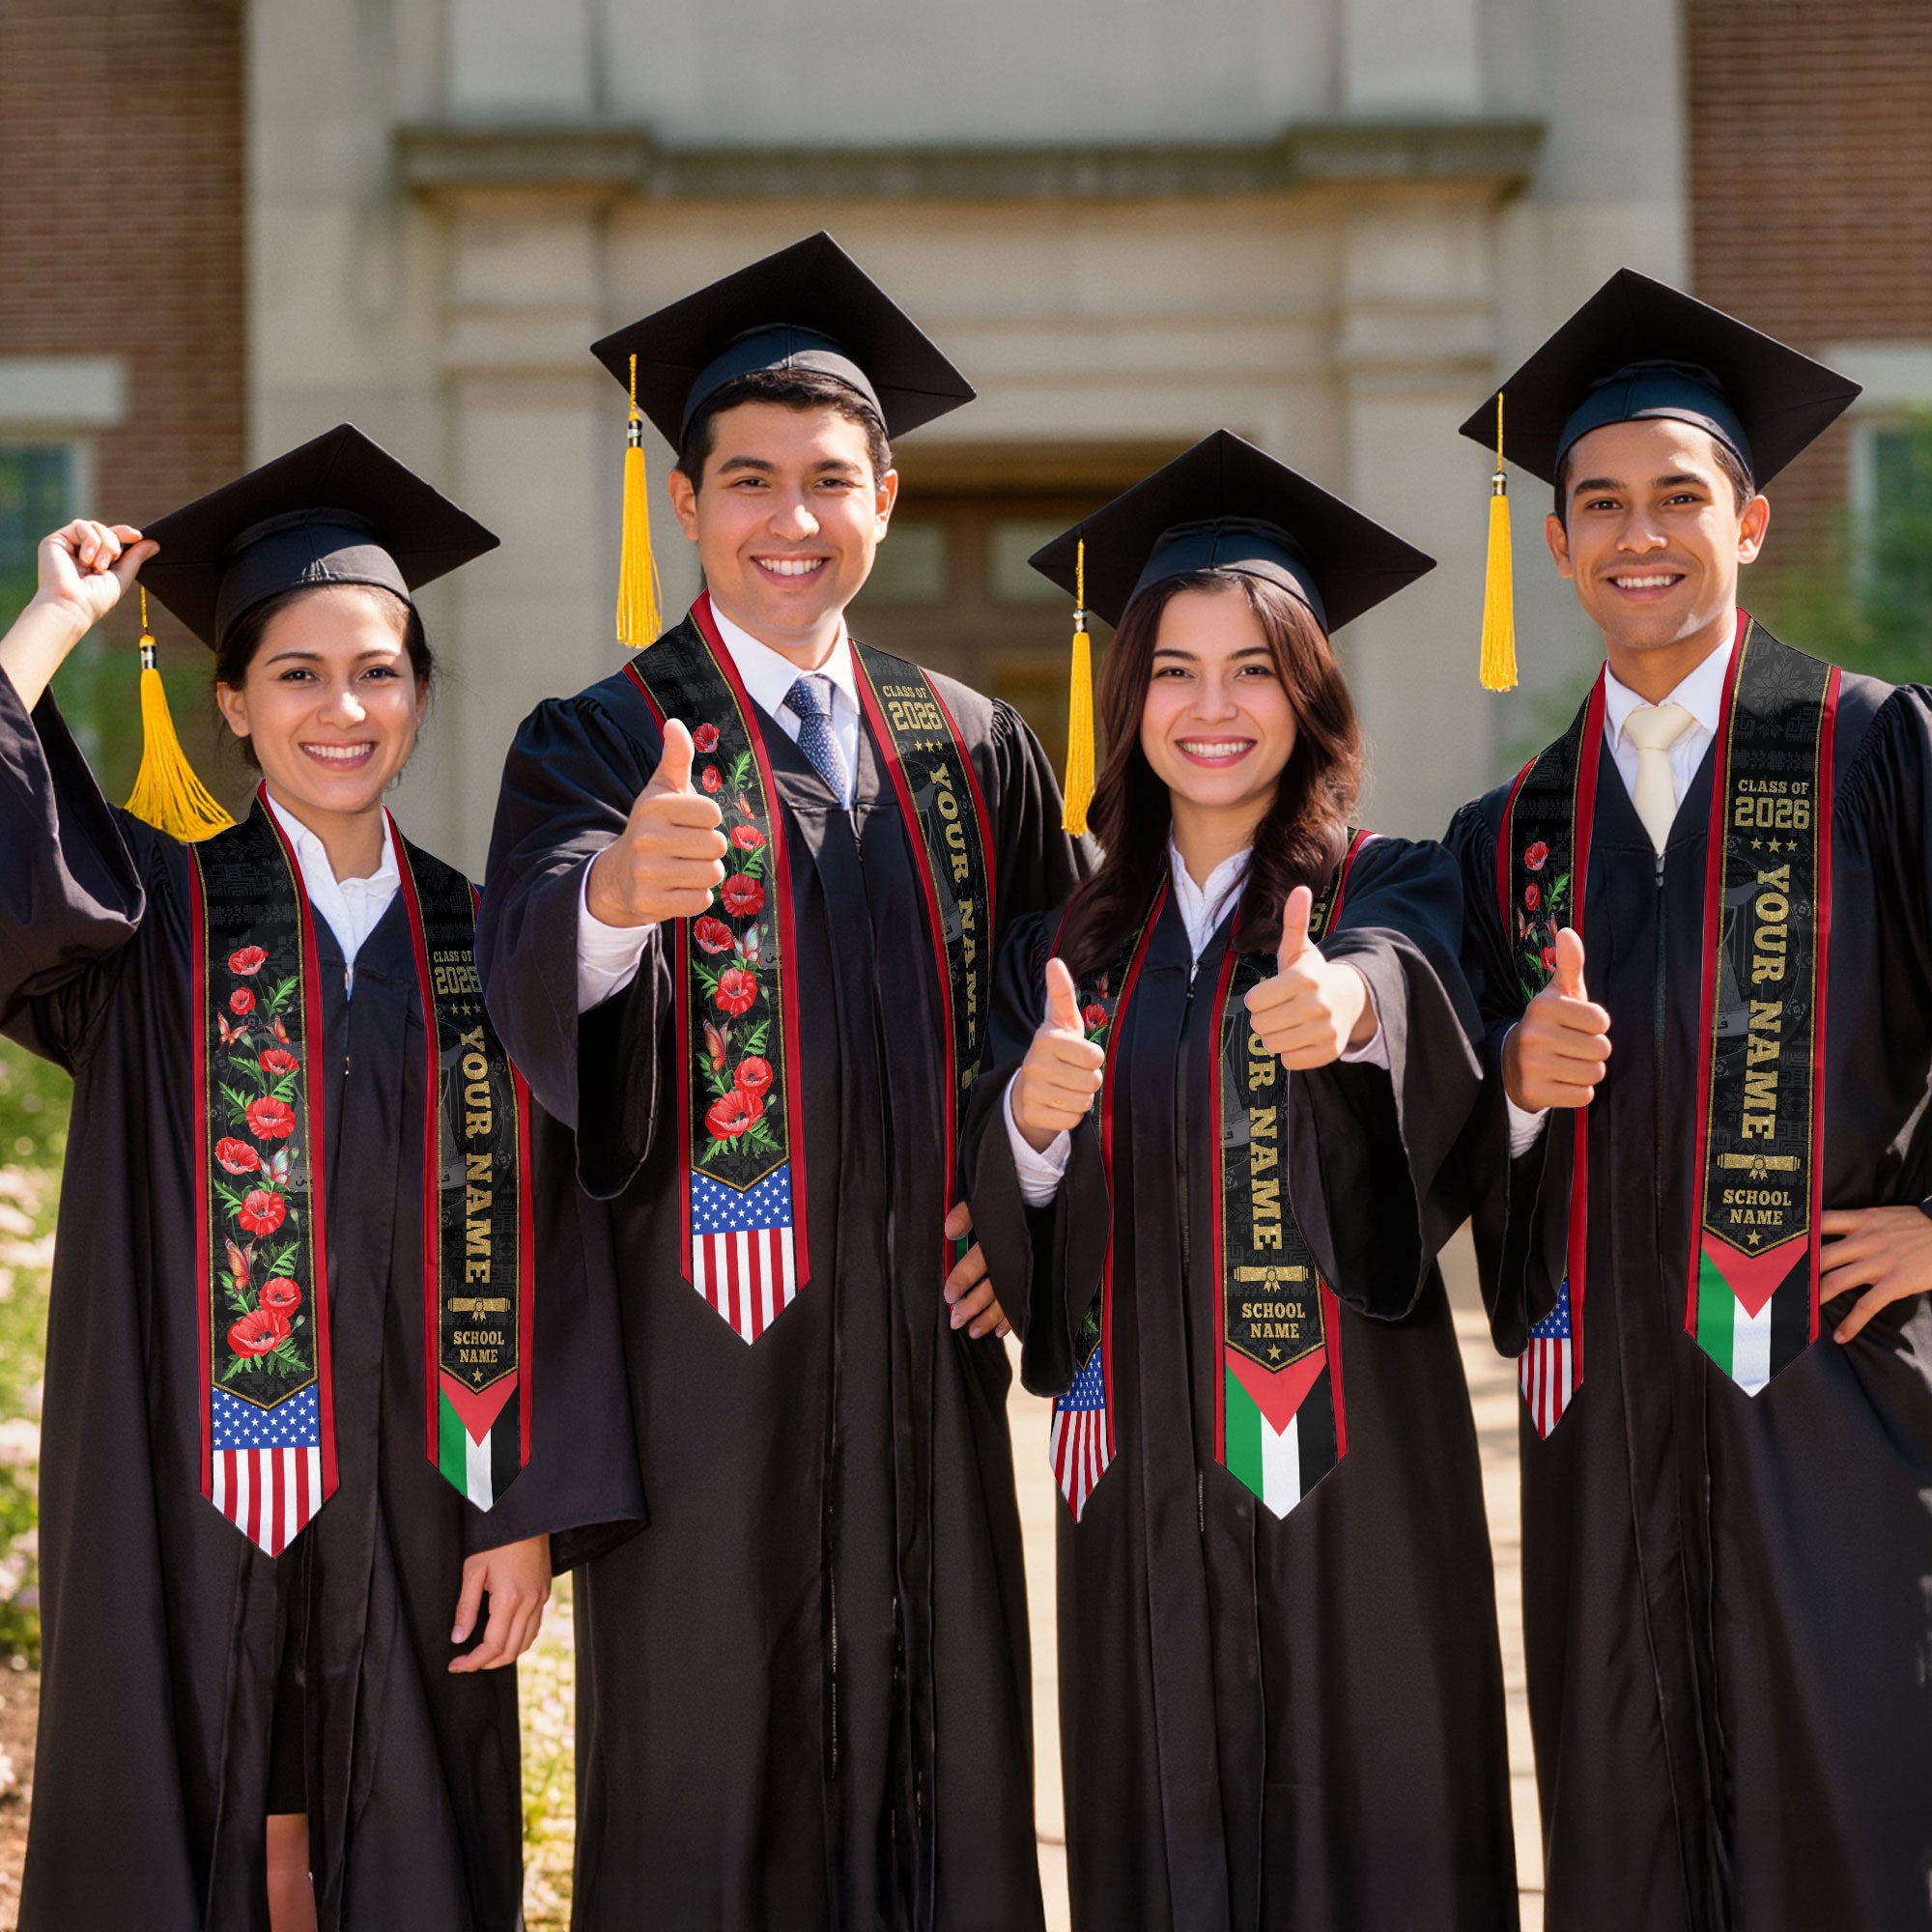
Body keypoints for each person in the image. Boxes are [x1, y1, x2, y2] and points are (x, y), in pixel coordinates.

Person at [478, 233, 1084, 1931]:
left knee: (943, 1760)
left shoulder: (973, 744)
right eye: (749, 481)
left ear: (886, 497)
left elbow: (1073, 1011)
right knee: (708, 1776)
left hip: (924, 1362)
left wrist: (1024, 1204)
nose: (790, 519)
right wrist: (611, 899)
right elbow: (529, 971)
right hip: (704, 1376)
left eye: (831, 481)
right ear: (687, 503)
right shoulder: (599, 739)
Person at [0, 425, 641, 1932]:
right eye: (295, 673)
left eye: (378, 671)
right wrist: (51, 624)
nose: (340, 708)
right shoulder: (147, 918)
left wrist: (525, 1507)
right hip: (183, 1478)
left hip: (430, 1490)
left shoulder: (494, 943)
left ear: (419, 694)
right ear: (231, 701)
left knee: (407, 1828)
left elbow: (559, 1238)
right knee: (190, 1802)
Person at [963, 431, 1518, 1931]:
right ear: (1127, 696)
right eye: (1175, 671)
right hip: (1139, 1467)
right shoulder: (1065, 946)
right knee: (1162, 1821)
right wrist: (1027, 1117)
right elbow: (1013, 1211)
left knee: (1378, 1818)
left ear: (1311, 692)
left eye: (1256, 668)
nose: (1214, 709)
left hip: (1356, 1466)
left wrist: (1350, 1012)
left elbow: (1415, 987)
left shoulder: (1388, 884)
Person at [1446, 270, 1932, 1931]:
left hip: (1837, 1403)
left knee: (1855, 1807)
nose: (1636, 534)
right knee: (1625, 1822)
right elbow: (1443, 1137)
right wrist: (1510, 1089)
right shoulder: (1508, 829)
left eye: (1677, 497)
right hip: (1606, 1431)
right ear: (1562, 542)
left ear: (1752, 520)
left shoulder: (1874, 752)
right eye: (1599, 504)